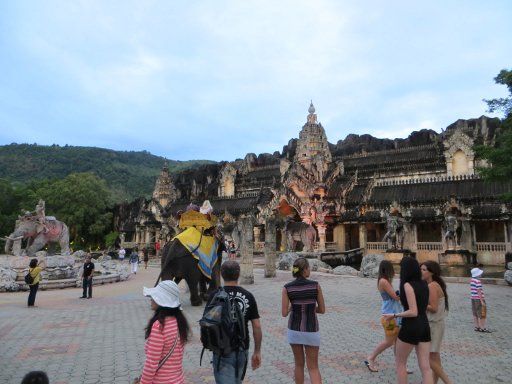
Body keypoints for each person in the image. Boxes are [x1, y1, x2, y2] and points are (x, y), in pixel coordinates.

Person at [209, 260, 262, 383]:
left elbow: (209, 322)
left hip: (222, 349)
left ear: (221, 274)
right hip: (242, 348)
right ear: (238, 274)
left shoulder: (214, 295)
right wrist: (257, 351)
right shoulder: (248, 296)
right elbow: (257, 326)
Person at [383, 256, 433, 384]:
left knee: (400, 363)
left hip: (411, 326)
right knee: (425, 367)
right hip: (424, 325)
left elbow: (413, 311)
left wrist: (394, 315)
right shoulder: (424, 283)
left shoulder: (407, 285)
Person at [136, 280, 191, 384]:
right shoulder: (179, 322)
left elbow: (152, 363)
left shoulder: (159, 326)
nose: (151, 299)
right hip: (178, 379)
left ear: (162, 300)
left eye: (154, 297)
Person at [282, 257, 325, 384]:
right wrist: (310, 309)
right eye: (309, 268)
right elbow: (322, 310)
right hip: (311, 330)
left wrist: (293, 307)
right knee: (313, 367)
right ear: (305, 270)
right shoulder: (315, 286)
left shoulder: (287, 288)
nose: (310, 270)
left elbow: (284, 313)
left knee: (298, 365)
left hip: (294, 330)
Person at [365, 260, 401, 372]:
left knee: (397, 341)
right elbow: (396, 297)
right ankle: (371, 358)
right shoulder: (384, 281)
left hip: (393, 315)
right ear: (388, 269)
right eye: (392, 268)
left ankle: (401, 364)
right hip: (389, 317)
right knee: (389, 341)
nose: (394, 271)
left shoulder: (384, 281)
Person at [421, 261, 452, 384]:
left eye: (424, 270)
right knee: (434, 356)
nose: (421, 272)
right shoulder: (435, 284)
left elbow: (433, 308)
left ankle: (448, 381)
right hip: (436, 324)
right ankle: (434, 381)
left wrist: (420, 303)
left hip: (433, 325)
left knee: (428, 357)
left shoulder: (432, 286)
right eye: (421, 269)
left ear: (431, 272)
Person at [470, 267, 490, 333]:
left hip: (473, 298)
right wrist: (482, 301)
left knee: (475, 313)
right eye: (480, 274)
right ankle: (482, 328)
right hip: (479, 299)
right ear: (477, 275)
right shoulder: (478, 281)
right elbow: (479, 291)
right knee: (482, 313)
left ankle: (477, 327)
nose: (481, 275)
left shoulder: (472, 280)